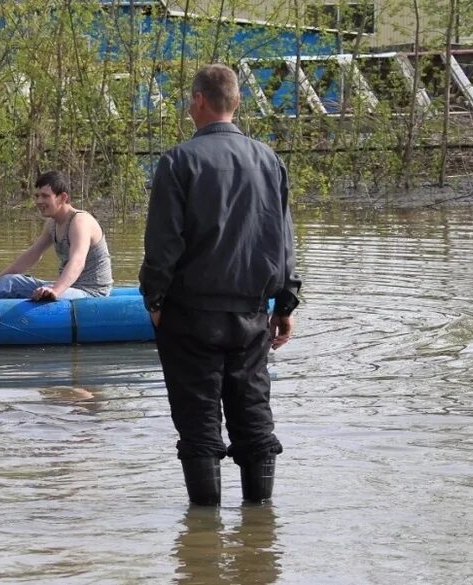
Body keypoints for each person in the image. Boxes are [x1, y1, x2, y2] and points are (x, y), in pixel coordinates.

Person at [139, 64, 302, 506]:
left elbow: (163, 243)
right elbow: (284, 241)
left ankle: (202, 544)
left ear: (197, 100)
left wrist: (153, 298)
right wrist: (285, 306)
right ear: (236, 103)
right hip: (251, 315)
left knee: (198, 425)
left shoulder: (178, 161)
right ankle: (259, 534)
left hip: (190, 314)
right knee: (253, 418)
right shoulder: (270, 160)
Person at [0, 171, 113, 301]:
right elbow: (32, 254)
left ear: (63, 197)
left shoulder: (80, 222)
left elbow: (77, 262)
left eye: (45, 196)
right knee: (7, 282)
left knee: (44, 296)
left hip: (92, 292)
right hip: (69, 288)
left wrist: (55, 290)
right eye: (37, 196)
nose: (39, 201)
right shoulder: (52, 223)